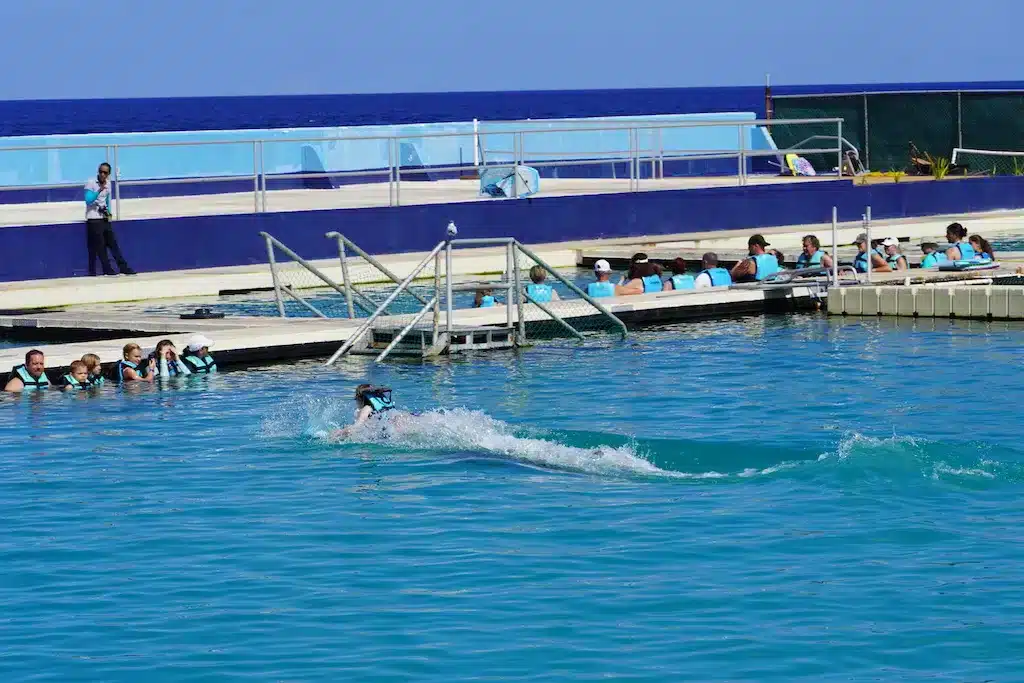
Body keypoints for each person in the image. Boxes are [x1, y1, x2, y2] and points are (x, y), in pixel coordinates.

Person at [84, 162, 135, 277]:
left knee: (113, 244)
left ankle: (123, 267)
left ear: (108, 174)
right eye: (101, 172)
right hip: (94, 219)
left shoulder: (108, 184)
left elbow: (106, 199)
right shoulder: (91, 183)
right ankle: (107, 269)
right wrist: (98, 190)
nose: (102, 174)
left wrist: (108, 212)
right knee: (100, 246)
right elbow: (88, 200)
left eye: (105, 173)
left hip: (104, 218)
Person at [332, 384, 396, 439]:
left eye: (356, 399)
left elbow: (356, 427)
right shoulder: (382, 408)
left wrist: (340, 433)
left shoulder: (366, 409)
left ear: (360, 399)